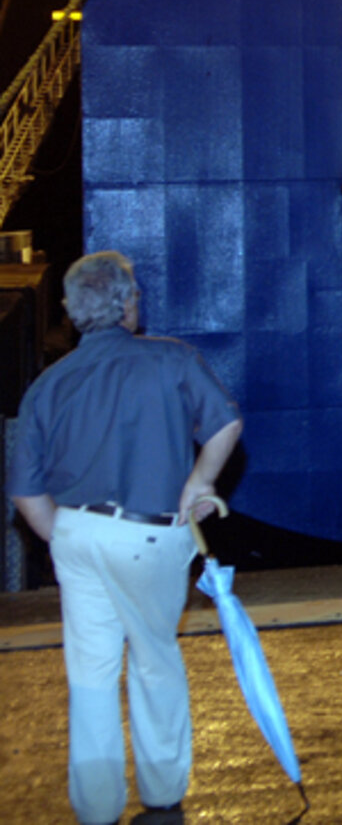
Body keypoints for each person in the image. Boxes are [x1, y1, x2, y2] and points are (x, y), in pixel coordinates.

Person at [6, 251, 242, 825]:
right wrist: (200, 482)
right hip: (147, 539)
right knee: (154, 660)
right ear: (128, 304)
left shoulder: (48, 383)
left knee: (89, 672)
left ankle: (96, 808)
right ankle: (161, 797)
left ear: (70, 310)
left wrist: (62, 535)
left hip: (76, 535)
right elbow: (226, 423)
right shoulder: (172, 360)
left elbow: (24, 491)